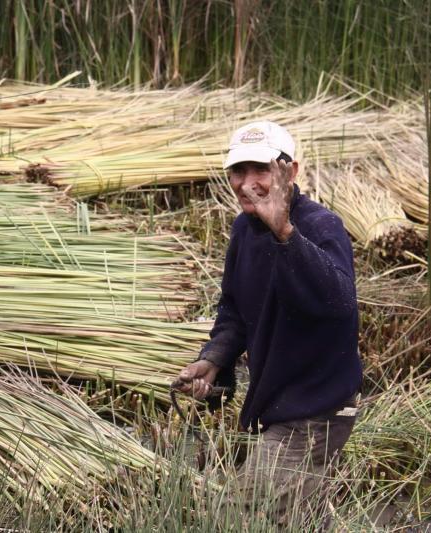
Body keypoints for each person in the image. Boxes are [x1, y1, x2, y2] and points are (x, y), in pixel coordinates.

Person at [175, 121, 362, 524]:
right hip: (275, 404)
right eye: (238, 172)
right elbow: (235, 311)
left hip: (316, 411)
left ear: (290, 172)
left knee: (231, 518)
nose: (246, 184)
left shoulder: (321, 227)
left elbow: (340, 302)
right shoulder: (244, 230)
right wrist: (215, 359)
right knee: (297, 520)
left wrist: (285, 232)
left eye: (260, 170)